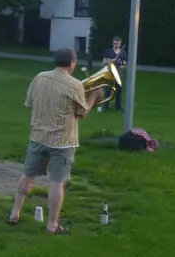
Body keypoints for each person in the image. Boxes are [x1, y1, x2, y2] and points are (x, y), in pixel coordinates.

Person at [9, 48, 104, 234]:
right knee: (57, 182)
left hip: (38, 136)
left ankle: (14, 213)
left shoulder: (39, 77)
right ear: (73, 63)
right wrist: (93, 96)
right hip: (63, 142)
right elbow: (82, 113)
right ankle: (52, 225)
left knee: (27, 176)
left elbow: (29, 103)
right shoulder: (75, 85)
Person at [101, 36, 125, 111]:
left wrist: (120, 64)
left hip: (118, 74)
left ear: (120, 44)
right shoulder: (108, 51)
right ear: (112, 43)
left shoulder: (123, 53)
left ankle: (118, 108)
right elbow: (103, 63)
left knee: (119, 92)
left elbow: (124, 64)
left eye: (118, 44)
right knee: (108, 91)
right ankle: (106, 107)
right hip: (109, 74)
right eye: (115, 43)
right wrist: (111, 61)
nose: (116, 45)